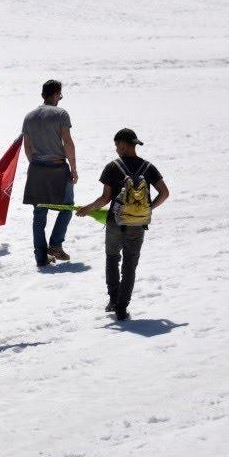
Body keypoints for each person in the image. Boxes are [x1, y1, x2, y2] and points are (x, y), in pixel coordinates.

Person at [76, 129, 169, 322]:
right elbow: (165, 193)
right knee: (130, 265)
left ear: (125, 145)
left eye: (117, 145)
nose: (116, 149)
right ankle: (121, 307)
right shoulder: (148, 167)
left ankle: (113, 299)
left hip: (115, 222)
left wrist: (88, 208)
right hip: (137, 225)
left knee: (112, 258)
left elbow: (105, 198)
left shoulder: (113, 167)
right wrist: (148, 209)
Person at [22, 80, 79, 266]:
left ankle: (41, 257)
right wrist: (73, 168)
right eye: (60, 95)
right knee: (68, 206)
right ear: (56, 94)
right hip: (57, 168)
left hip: (37, 168)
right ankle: (55, 244)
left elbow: (28, 147)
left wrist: (36, 165)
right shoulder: (61, 114)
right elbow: (68, 143)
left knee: (39, 212)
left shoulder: (29, 117)